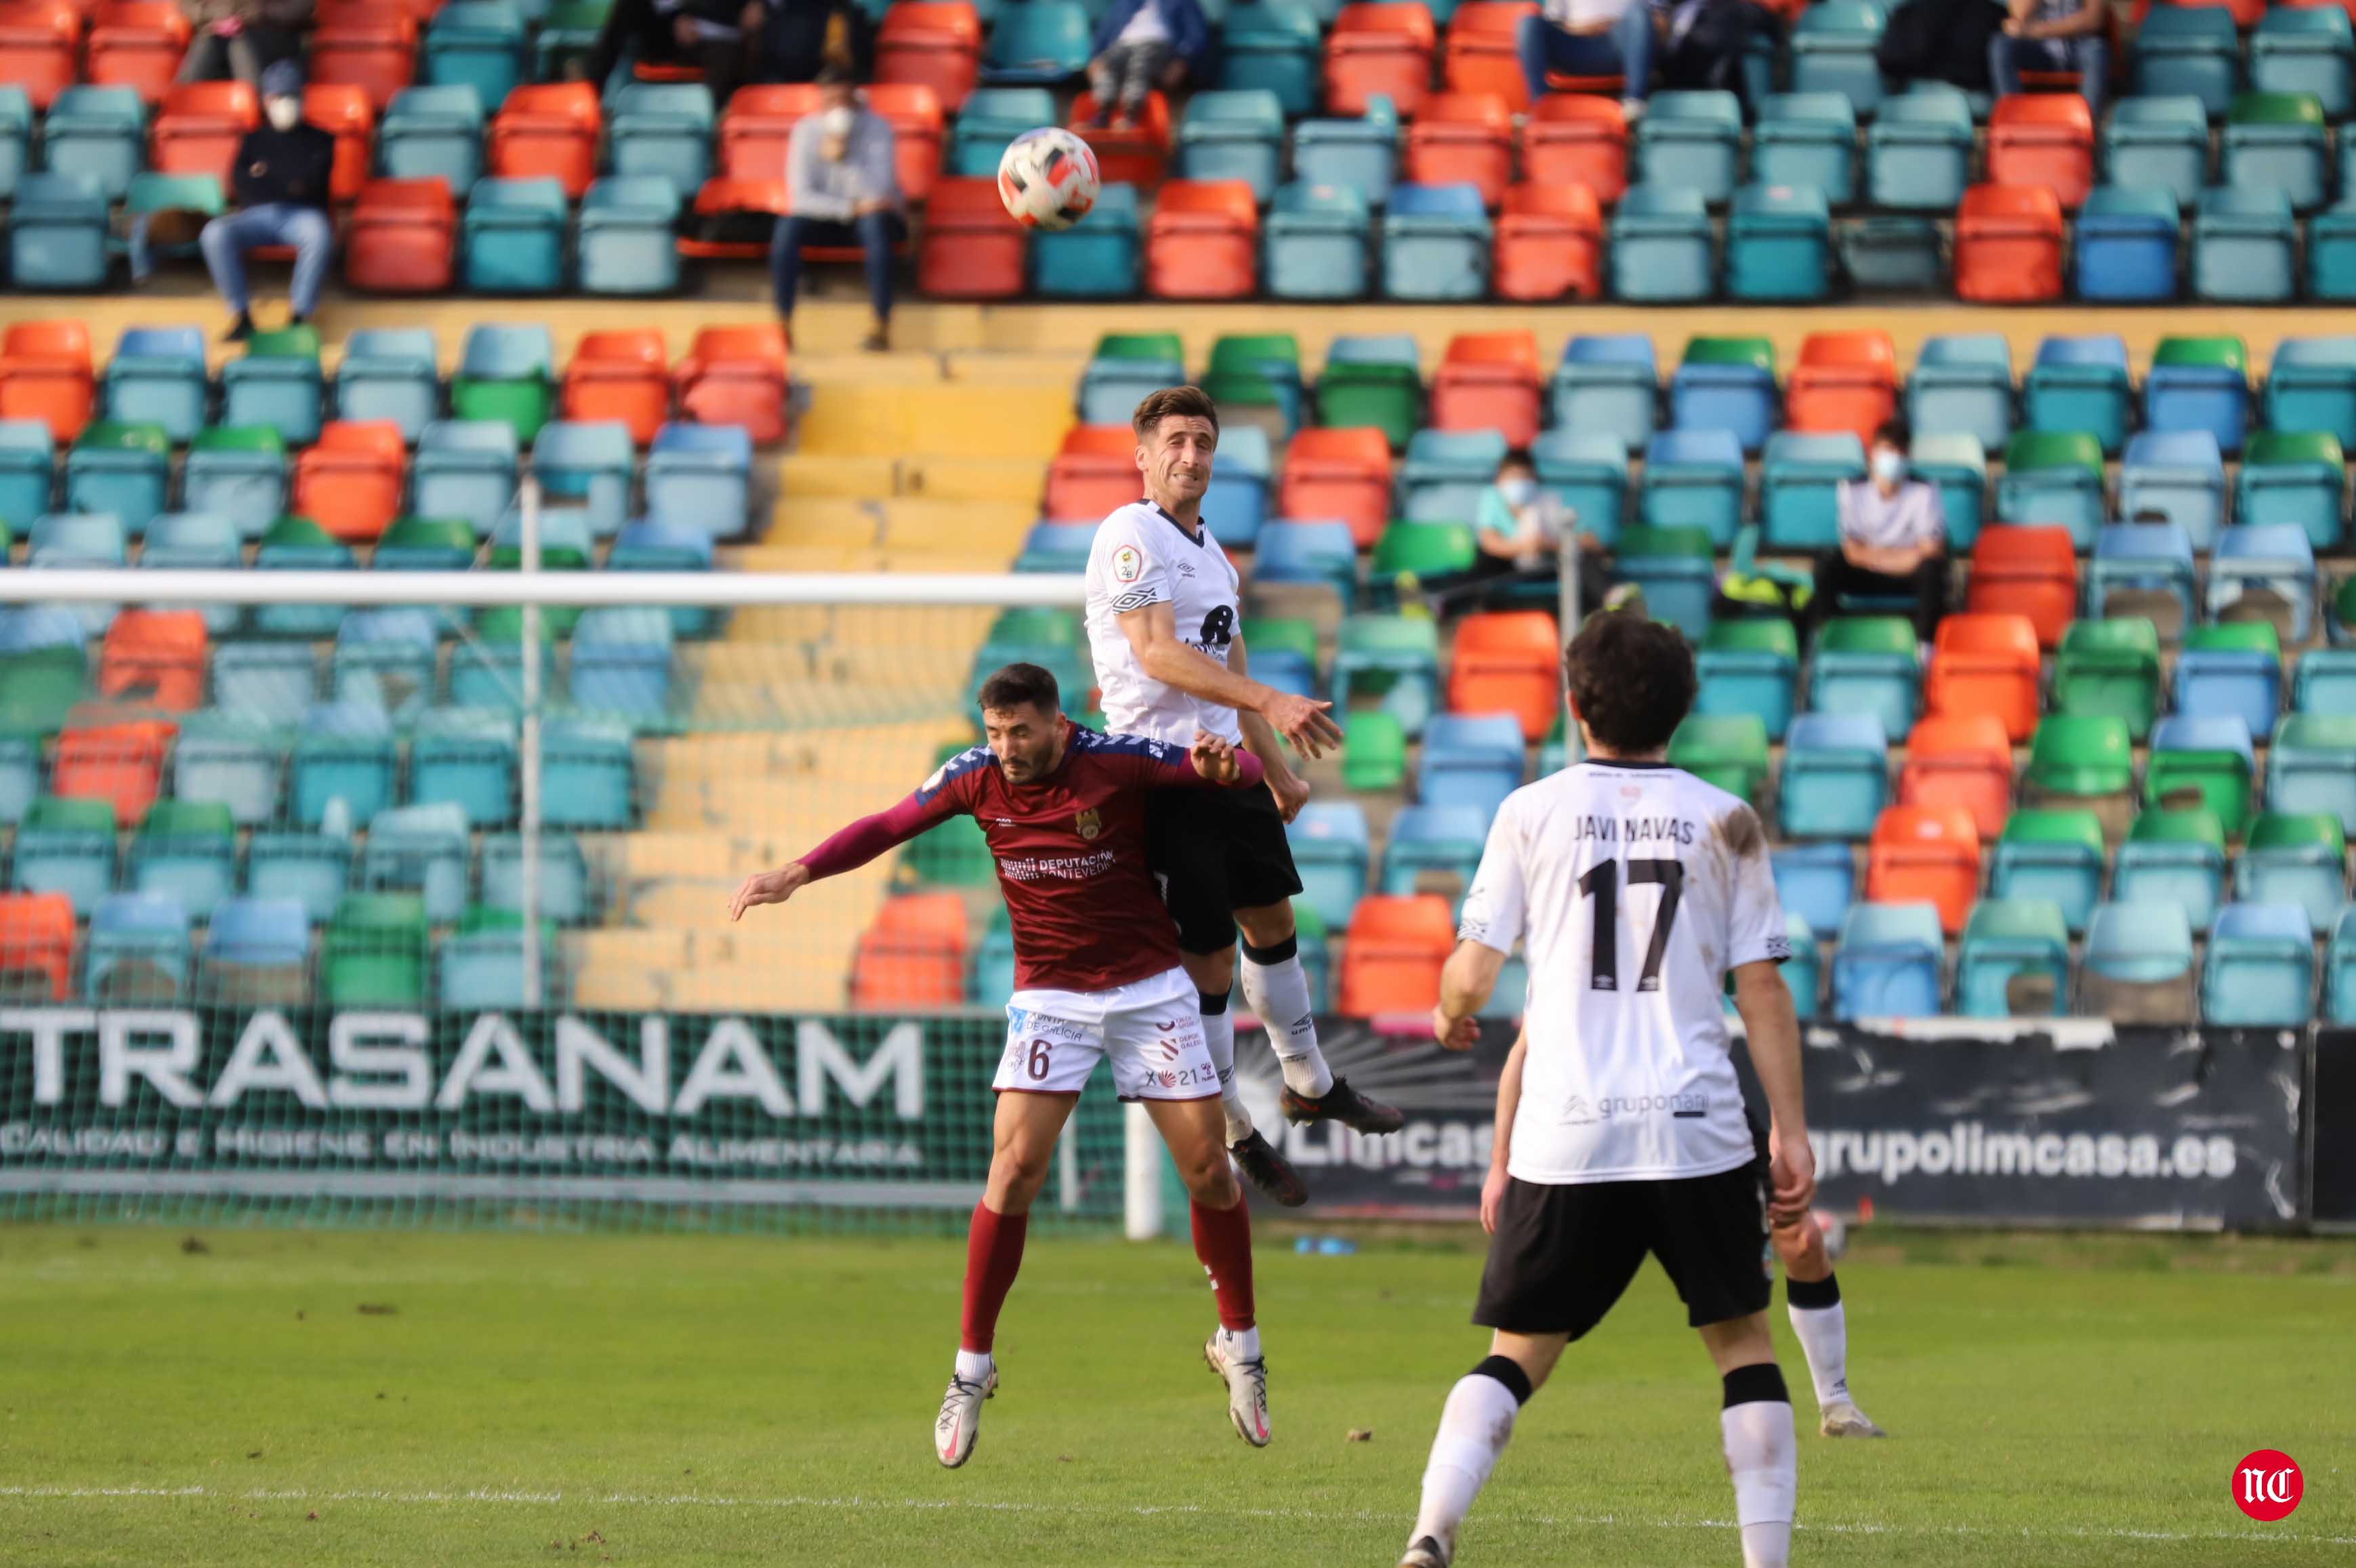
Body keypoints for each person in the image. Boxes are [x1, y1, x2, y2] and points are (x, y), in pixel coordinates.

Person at [728, 663, 1273, 1466]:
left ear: (1057, 723)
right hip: (1051, 996)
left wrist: (1230, 768)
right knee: (1013, 1170)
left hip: (1148, 989)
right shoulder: (974, 776)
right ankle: (971, 1368)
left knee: (1208, 1170)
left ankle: (1241, 1347)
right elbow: (887, 824)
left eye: (1020, 731)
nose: (1007, 748)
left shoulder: (1115, 760)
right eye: (995, 732)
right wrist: (797, 872)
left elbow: (1236, 770)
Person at [1400, 611, 1815, 1568]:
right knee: (1743, 1344)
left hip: (1567, 1127)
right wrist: (1789, 1130)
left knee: (1517, 1352)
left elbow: (1473, 973)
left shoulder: (1530, 810)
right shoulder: (1728, 818)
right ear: (1683, 707)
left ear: (1574, 704)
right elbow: (1761, 989)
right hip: (1695, 1125)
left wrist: (1450, 1009)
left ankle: (1430, 1533)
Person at [1084, 387, 1403, 1210]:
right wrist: (1271, 702)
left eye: (1203, 442)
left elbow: (1226, 662)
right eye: (1175, 441)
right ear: (1143, 456)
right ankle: (1234, 1128)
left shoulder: (1213, 554)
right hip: (1164, 773)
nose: (1191, 455)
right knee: (1209, 960)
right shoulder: (1129, 535)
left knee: (1273, 923)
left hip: (1230, 768)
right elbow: (1157, 654)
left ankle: (1311, 1082)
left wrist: (1279, 768)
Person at [200, 58, 334, 343]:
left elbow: (311, 184)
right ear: (266, 100)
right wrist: (287, 179)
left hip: (302, 215)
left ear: (302, 98)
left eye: (292, 96)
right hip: (256, 215)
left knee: (319, 235)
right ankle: (241, 316)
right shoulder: (252, 139)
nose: (285, 103)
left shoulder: (322, 139)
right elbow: (241, 182)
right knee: (215, 233)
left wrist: (265, 174)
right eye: (278, 97)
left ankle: (299, 317)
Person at [772, 66, 900, 353]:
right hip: (830, 216)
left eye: (843, 100)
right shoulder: (806, 130)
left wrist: (845, 157)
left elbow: (879, 192)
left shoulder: (878, 128)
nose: (837, 107)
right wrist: (849, 208)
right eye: (831, 100)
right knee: (787, 229)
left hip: (869, 219)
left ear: (855, 97)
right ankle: (783, 323)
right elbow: (799, 198)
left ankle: (881, 323)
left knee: (875, 226)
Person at [1810, 419, 1948, 646]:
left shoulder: (1925, 490)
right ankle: (1827, 638)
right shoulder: (1851, 489)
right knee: (1827, 564)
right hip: (1868, 572)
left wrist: (1875, 555)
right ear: (1872, 454)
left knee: (1933, 570)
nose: (1894, 458)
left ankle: (1925, 647)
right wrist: (1903, 555)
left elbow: (1931, 550)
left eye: (1900, 452)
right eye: (1888, 450)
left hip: (1908, 575)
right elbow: (1852, 552)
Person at [579, 0, 773, 102]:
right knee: (630, 5)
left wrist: (761, 3)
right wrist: (676, 15)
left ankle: (702, 127)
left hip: (725, 34)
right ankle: (587, 91)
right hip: (673, 29)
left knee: (728, 59)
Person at [1518, 0, 1659, 119]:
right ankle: (1541, 106)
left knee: (1638, 14)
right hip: (1575, 46)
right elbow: (1554, 23)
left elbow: (1660, 20)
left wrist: (1617, 26)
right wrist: (1589, 28)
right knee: (1530, 23)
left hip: (1623, 47)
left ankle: (1635, 102)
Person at [1083, 0, 1210, 131]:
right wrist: (1095, 58)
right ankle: (1103, 114)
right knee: (1109, 64)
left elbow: (1196, 36)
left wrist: (1183, 61)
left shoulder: (1183, 2)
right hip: (1123, 46)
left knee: (1139, 64)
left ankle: (1131, 116)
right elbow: (1103, 34)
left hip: (1158, 46)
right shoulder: (1124, 3)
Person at [1989, 0, 2108, 123]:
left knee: (2096, 49)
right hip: (2037, 50)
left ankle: (2087, 124)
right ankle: (2011, 122)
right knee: (2001, 45)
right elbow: (2019, 18)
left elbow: (2093, 20)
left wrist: (2038, 30)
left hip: (2076, 47)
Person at [175, 0, 312, 87]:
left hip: (270, 35)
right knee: (206, 44)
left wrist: (255, 14)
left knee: (239, 44)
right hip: (214, 31)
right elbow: (188, 5)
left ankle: (257, 109)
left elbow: (301, 7)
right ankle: (178, 105)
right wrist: (219, 19)